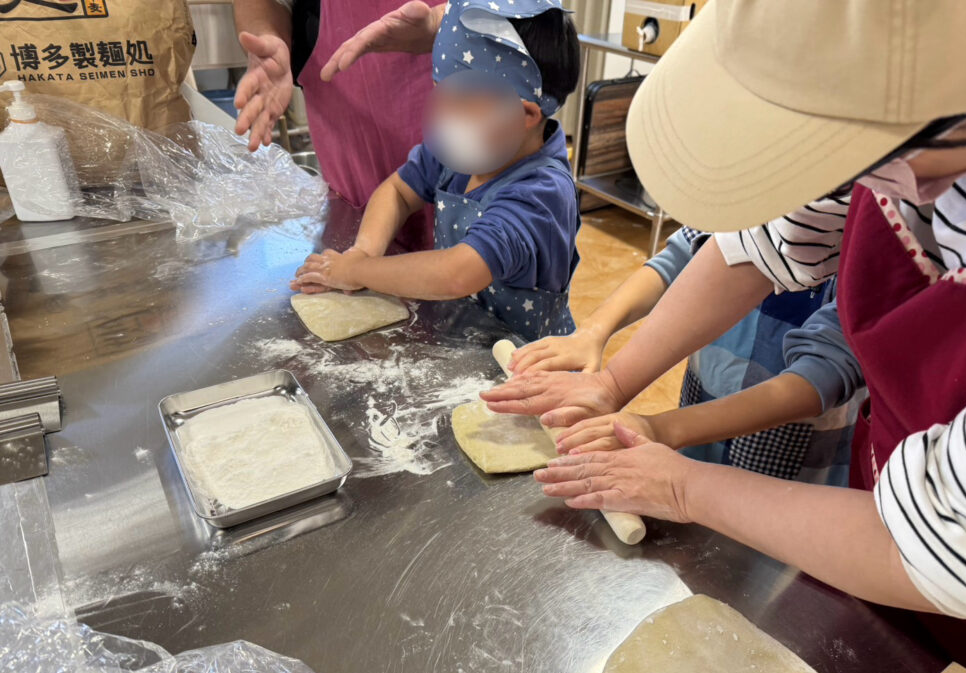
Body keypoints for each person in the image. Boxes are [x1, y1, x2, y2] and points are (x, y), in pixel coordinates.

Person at [479, 0, 966, 673]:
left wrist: (682, 485)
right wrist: (612, 382)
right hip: (884, 518)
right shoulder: (892, 112)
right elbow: (759, 247)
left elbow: (936, 545)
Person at [291, 0, 581, 341]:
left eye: (460, 104)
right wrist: (362, 253)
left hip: (524, 361)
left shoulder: (541, 193)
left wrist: (359, 271)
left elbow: (457, 273)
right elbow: (398, 192)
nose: (444, 117)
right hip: (465, 342)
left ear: (525, 114)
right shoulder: (465, 152)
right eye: (440, 93)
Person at [511, 225, 862, 487]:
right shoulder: (747, 190)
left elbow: (823, 372)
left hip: (790, 458)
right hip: (697, 414)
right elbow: (681, 256)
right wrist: (594, 335)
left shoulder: (860, 241)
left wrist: (661, 426)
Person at [232, 0, 444, 250]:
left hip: (469, 188)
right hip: (355, 187)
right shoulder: (416, 174)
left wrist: (443, 23)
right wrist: (266, 33)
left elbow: (462, 267)